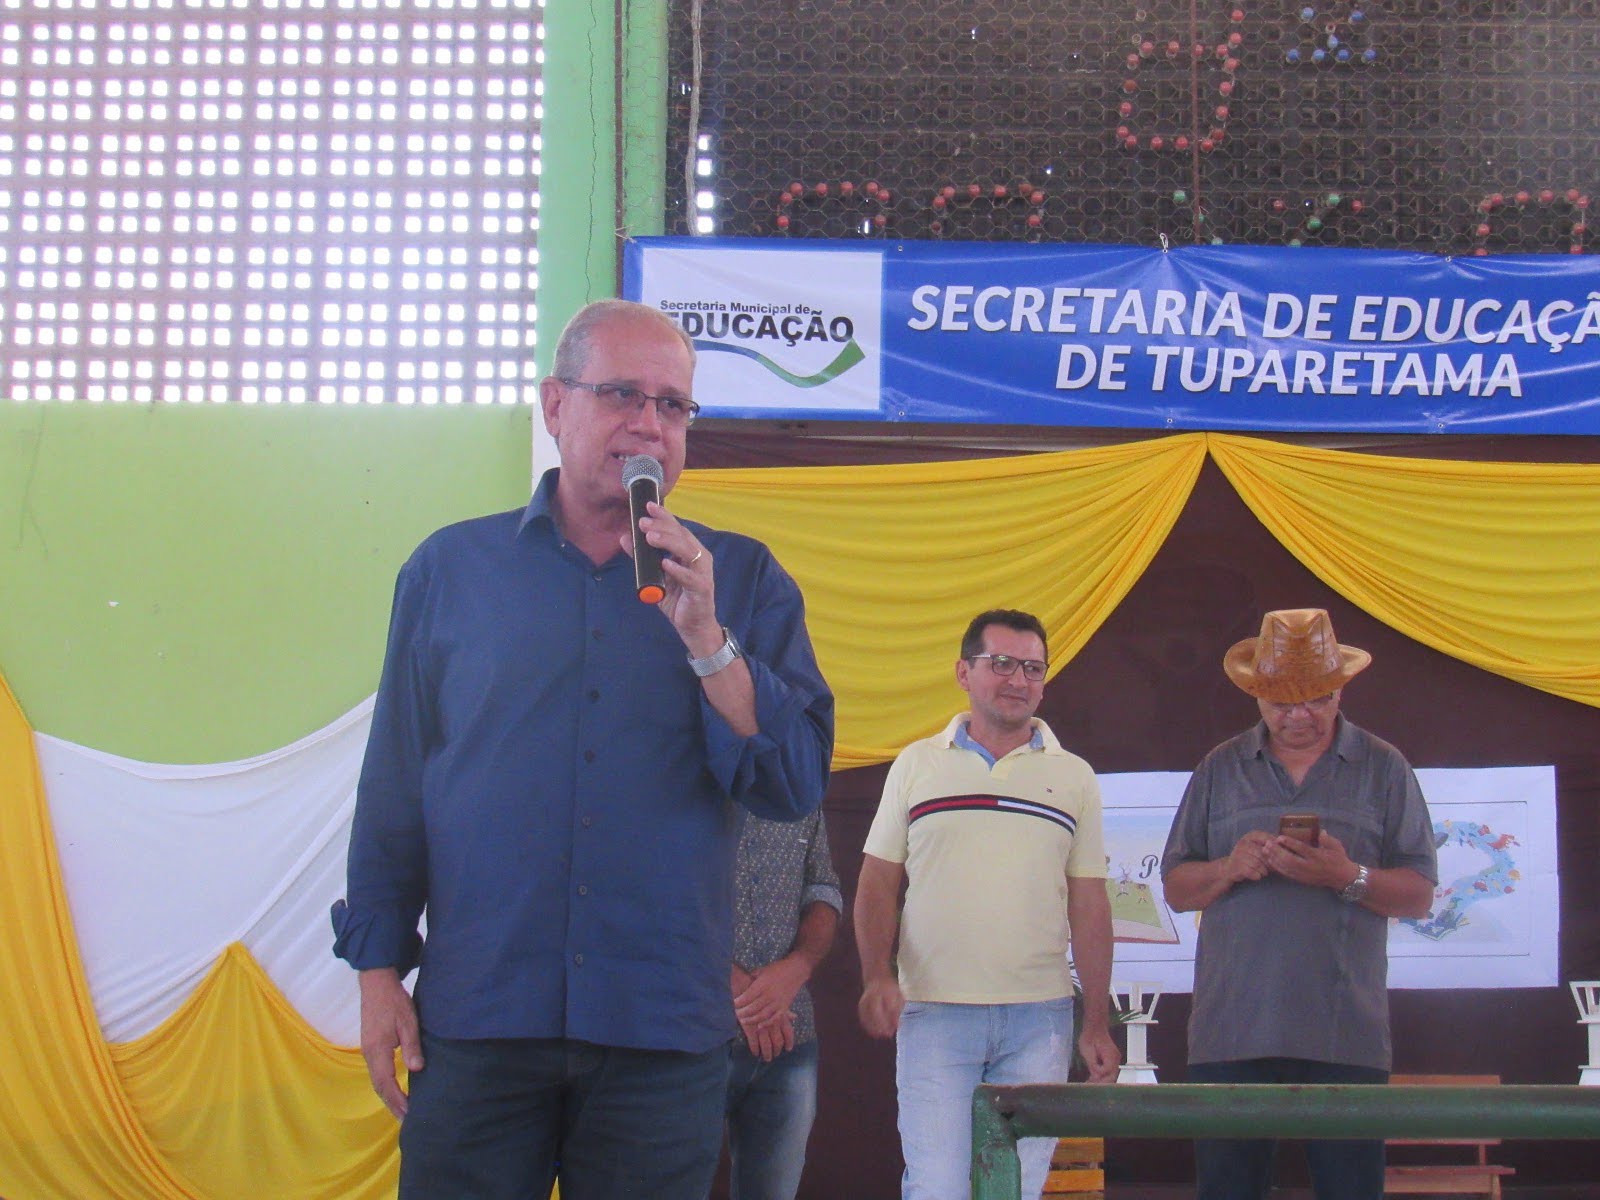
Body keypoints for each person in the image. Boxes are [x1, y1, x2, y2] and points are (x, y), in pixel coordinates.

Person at [331, 298, 834, 1200]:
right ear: (555, 406)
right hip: (482, 1018)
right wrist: (377, 973)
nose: (650, 425)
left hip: (662, 1035)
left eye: (674, 406)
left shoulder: (745, 580)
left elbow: (791, 782)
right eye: (623, 396)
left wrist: (710, 640)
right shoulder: (451, 573)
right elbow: (396, 787)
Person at [1161, 608, 1438, 1200]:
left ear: (1340, 690)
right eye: (1281, 702)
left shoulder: (1384, 767)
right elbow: (1178, 889)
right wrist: (1228, 867)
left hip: (1345, 1033)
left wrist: (1347, 875)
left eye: (1316, 699)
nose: (1299, 716)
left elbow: (1418, 895)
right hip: (1231, 1032)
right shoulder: (1220, 768)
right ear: (1256, 695)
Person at [854, 608, 1121, 1200]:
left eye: (1032, 668)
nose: (1017, 680)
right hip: (934, 1014)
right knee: (938, 1186)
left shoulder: (1074, 776)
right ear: (963, 672)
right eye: (1000, 664)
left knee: (1016, 1189)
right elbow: (876, 882)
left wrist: (1096, 1022)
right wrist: (877, 974)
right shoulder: (916, 764)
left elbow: (1090, 904)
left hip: (1040, 1019)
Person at [722, 810, 842, 1200]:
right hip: (695, 1040)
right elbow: (656, 895)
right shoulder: (677, 782)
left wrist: (799, 966)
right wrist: (739, 989)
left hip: (791, 1040)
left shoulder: (798, 795)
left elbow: (823, 889)